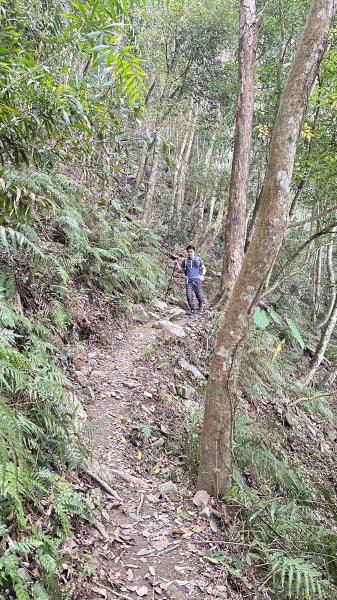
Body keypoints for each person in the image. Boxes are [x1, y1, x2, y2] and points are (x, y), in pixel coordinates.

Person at [176, 245, 206, 316]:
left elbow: (204, 268)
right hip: (188, 281)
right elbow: (181, 270)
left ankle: (200, 307)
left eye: (191, 251)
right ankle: (193, 310)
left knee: (200, 296)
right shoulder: (185, 261)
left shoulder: (198, 259)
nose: (190, 253)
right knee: (189, 296)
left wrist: (203, 275)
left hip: (197, 280)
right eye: (188, 252)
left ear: (194, 252)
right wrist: (177, 264)